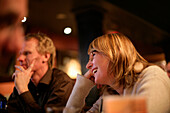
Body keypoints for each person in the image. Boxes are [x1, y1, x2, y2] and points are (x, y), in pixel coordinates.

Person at [65, 33, 170, 113]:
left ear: (113, 54)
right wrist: (81, 87)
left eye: (93, 56)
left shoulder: (153, 77)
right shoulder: (109, 95)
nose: (88, 66)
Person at [7, 33, 74, 113]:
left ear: (45, 56)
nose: (20, 58)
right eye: (20, 54)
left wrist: (23, 90)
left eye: (27, 53)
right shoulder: (24, 81)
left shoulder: (63, 83)